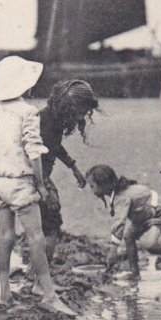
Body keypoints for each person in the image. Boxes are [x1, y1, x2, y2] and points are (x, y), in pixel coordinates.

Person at [0, 56, 76, 317]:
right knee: (36, 237)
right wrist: (40, 185)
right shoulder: (28, 112)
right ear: (25, 86)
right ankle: (49, 295)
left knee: (6, 236)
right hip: (20, 182)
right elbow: (34, 151)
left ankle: (5, 294)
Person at [38, 79, 99, 263]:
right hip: (36, 178)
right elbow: (34, 158)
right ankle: (41, 277)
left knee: (45, 226)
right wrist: (46, 190)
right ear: (68, 106)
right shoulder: (45, 123)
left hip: (39, 177)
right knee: (50, 227)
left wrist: (74, 167)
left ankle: (40, 274)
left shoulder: (51, 117)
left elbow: (54, 146)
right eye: (80, 113)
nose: (81, 118)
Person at [85, 164, 161, 281]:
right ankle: (135, 273)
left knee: (149, 244)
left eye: (92, 186)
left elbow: (120, 223)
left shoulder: (121, 197)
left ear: (103, 184)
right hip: (140, 216)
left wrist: (113, 250)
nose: (91, 190)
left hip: (157, 213)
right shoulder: (118, 192)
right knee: (128, 236)